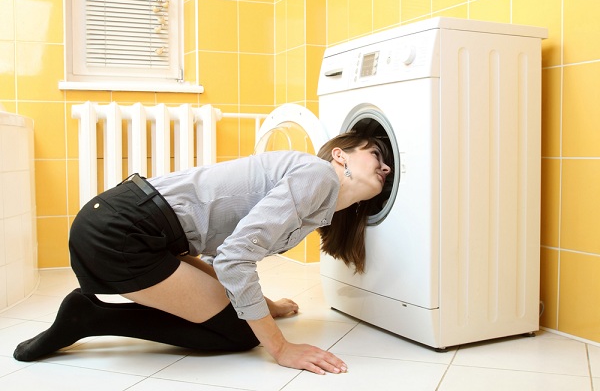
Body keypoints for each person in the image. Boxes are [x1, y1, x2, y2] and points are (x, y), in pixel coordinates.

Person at [13, 131, 392, 375]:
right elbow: (233, 259)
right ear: (340, 156)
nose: (386, 165)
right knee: (240, 334)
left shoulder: (315, 198)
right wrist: (280, 347)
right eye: (375, 154)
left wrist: (268, 306)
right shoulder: (318, 175)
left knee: (243, 320)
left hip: (129, 226)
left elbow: (223, 258)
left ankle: (87, 315)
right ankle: (90, 317)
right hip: (124, 234)